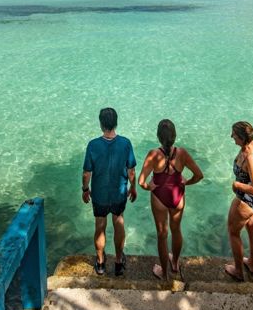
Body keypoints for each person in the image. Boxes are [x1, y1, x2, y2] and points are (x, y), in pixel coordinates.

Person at [138, 119, 203, 280]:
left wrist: (149, 187)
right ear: (174, 136)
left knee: (162, 234)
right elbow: (199, 175)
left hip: (159, 197)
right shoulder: (182, 153)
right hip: (177, 197)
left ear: (159, 137)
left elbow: (141, 182)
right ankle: (175, 263)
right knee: (176, 230)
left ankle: (164, 274)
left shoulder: (153, 154)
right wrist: (186, 182)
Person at [82, 107, 137, 276]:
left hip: (99, 195)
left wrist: (85, 189)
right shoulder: (125, 143)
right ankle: (119, 262)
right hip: (119, 193)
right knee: (118, 222)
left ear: (101, 124)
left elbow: (86, 173)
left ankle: (100, 263)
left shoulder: (93, 145)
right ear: (116, 123)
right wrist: (133, 188)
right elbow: (131, 171)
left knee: (100, 226)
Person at [225, 121, 253, 280]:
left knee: (233, 232)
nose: (231, 137)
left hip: (246, 199)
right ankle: (251, 264)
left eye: (234, 134)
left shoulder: (251, 157)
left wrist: (238, 185)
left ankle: (238, 272)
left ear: (242, 137)